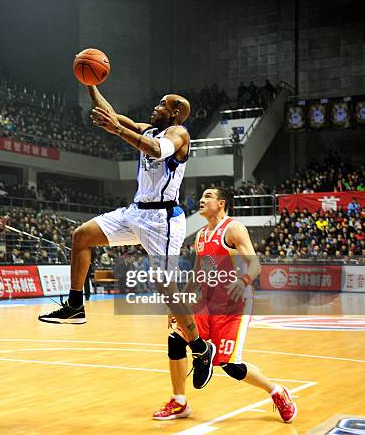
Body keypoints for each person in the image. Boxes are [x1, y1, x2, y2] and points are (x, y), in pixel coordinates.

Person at [38, 85, 215, 389]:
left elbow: (156, 151)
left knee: (166, 287)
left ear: (174, 112)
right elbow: (111, 115)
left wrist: (118, 131)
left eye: (161, 104)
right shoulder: (150, 129)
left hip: (163, 220)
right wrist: (90, 83)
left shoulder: (178, 134)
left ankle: (200, 347)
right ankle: (76, 304)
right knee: (81, 236)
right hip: (136, 212)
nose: (154, 107)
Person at [152, 187, 296, 423]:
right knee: (175, 339)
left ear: (221, 203)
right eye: (201, 196)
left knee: (230, 366)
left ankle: (277, 392)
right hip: (207, 303)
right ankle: (179, 401)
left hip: (233, 306)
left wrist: (244, 280)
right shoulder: (201, 236)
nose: (201, 199)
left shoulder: (233, 228)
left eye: (208, 196)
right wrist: (178, 305)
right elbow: (198, 275)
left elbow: (255, 265)